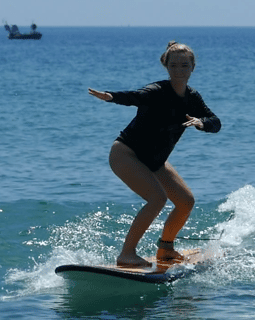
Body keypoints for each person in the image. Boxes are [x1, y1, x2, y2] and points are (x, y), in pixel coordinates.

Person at [87, 41, 221, 267]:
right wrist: (111, 96)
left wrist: (201, 122)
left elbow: (215, 122)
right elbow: (136, 97)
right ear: (166, 66)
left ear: (193, 67)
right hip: (126, 154)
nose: (179, 70)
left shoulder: (192, 98)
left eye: (184, 65)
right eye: (174, 65)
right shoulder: (157, 91)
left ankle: (165, 250)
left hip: (156, 160)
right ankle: (126, 254)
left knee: (185, 201)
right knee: (157, 198)